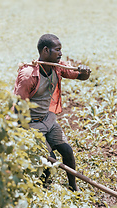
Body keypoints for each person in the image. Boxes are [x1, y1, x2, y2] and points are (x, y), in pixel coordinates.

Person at [14, 34, 91, 191]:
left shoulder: (57, 67)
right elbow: (17, 106)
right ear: (45, 50)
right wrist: (20, 133)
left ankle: (73, 187)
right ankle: (43, 189)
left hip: (47, 119)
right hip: (31, 124)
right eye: (58, 50)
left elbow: (80, 77)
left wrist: (85, 72)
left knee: (68, 151)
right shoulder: (29, 75)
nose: (60, 53)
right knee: (50, 160)